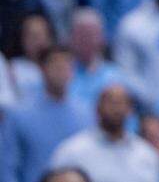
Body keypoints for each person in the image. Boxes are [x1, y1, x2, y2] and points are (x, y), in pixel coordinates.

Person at [1, 46, 92, 182]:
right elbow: (7, 166)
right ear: (42, 69)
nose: (61, 69)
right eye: (55, 64)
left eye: (66, 64)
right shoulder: (19, 114)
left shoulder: (87, 113)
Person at [48, 84, 159, 182]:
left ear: (130, 110)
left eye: (122, 103)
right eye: (111, 102)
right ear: (97, 107)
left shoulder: (147, 154)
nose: (117, 108)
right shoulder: (72, 151)